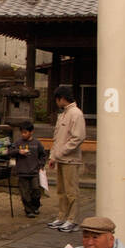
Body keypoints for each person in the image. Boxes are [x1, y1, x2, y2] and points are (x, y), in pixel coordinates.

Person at [46, 84, 86, 233]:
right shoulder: (63, 114)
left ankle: (72, 219)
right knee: (61, 190)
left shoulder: (76, 113)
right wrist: (53, 156)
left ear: (62, 99)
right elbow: (57, 138)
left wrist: (61, 152)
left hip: (71, 159)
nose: (56, 102)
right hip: (61, 158)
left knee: (71, 191)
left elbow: (78, 137)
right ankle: (62, 216)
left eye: (57, 99)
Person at [11, 122, 48, 217]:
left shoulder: (37, 143)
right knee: (25, 193)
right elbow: (9, 151)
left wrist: (41, 164)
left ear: (31, 132)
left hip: (34, 172)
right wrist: (18, 151)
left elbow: (43, 155)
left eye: (25, 132)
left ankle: (35, 206)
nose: (23, 134)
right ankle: (28, 210)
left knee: (36, 190)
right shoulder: (18, 143)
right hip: (22, 172)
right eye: (22, 132)